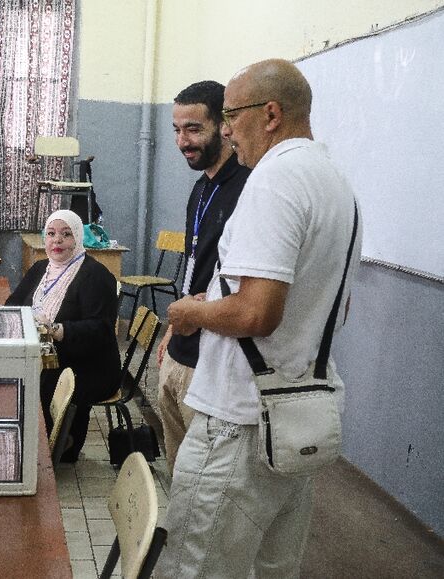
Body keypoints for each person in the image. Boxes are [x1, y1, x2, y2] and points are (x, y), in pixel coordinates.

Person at [158, 58, 362, 578]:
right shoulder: (334, 181)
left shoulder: (274, 180)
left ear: (270, 113)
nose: (227, 130)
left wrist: (192, 310)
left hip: (239, 423)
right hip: (296, 413)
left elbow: (257, 312)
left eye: (231, 115)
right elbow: (324, 307)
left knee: (196, 566)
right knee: (274, 568)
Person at [156, 80, 250, 474]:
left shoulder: (248, 187)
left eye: (193, 129)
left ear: (224, 125)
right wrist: (169, 330)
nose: (182, 141)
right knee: (179, 473)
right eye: (177, 130)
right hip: (180, 348)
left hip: (213, 359)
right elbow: (195, 266)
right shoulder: (200, 188)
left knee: (204, 478)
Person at [6, 209, 120, 462]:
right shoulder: (39, 269)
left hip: (90, 363)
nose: (57, 241)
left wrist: (56, 330)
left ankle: (56, 447)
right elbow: (13, 304)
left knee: (39, 380)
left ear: (78, 238)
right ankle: (23, 442)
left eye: (66, 234)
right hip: (48, 353)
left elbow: (100, 330)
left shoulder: (96, 276)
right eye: (51, 234)